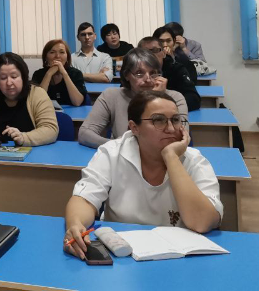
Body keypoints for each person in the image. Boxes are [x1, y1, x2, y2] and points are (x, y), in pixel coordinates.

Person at [64, 91, 222, 259]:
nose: (170, 128)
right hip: (122, 253)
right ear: (134, 127)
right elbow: (85, 199)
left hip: (180, 255)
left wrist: (171, 157)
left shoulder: (194, 160)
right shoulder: (112, 153)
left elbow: (202, 222)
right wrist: (75, 224)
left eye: (175, 120)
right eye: (159, 120)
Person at [78, 48, 187, 148]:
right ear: (126, 75)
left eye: (153, 73)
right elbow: (84, 134)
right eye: (139, 73)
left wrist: (157, 99)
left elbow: (182, 137)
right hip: (123, 158)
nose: (148, 79)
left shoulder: (175, 98)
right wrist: (117, 146)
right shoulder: (111, 96)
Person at [0, 52, 58, 147]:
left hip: (32, 154)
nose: (9, 83)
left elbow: (50, 129)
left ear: (23, 77)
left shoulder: (38, 94)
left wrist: (24, 138)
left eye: (14, 77)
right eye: (3, 78)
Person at [138, 36, 201, 111]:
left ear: (164, 53)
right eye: (145, 51)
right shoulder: (134, 73)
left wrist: (165, 103)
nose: (150, 55)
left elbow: (194, 99)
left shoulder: (176, 69)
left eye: (155, 50)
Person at [30, 39, 87, 106]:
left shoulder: (76, 74)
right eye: (52, 52)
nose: (57, 56)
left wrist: (64, 74)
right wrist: (48, 74)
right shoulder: (38, 74)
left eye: (62, 52)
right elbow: (37, 102)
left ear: (67, 57)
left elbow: (77, 102)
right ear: (46, 57)